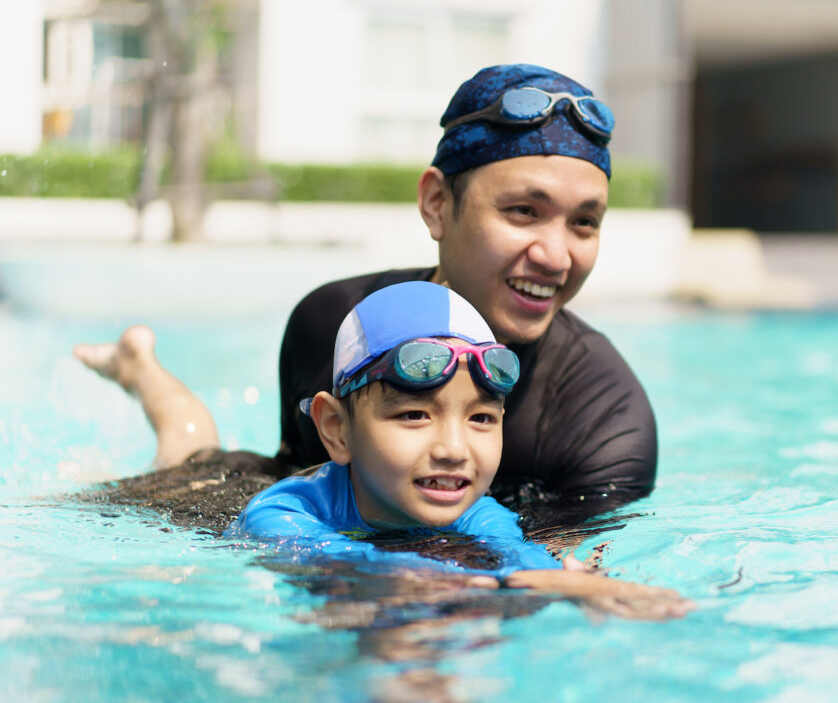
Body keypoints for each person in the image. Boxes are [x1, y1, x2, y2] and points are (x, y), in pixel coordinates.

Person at [75, 63, 658, 531]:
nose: (557, 256)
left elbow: (550, 582)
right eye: (523, 212)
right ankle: (143, 370)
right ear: (436, 204)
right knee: (189, 468)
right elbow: (293, 475)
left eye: (584, 223)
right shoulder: (332, 322)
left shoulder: (604, 422)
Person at [230, 280, 692, 619]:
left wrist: (567, 580)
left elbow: (518, 556)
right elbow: (345, 565)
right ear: (336, 430)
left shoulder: (478, 514)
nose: (454, 449)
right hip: (207, 494)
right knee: (188, 449)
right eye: (414, 415)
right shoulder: (281, 512)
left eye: (481, 419)